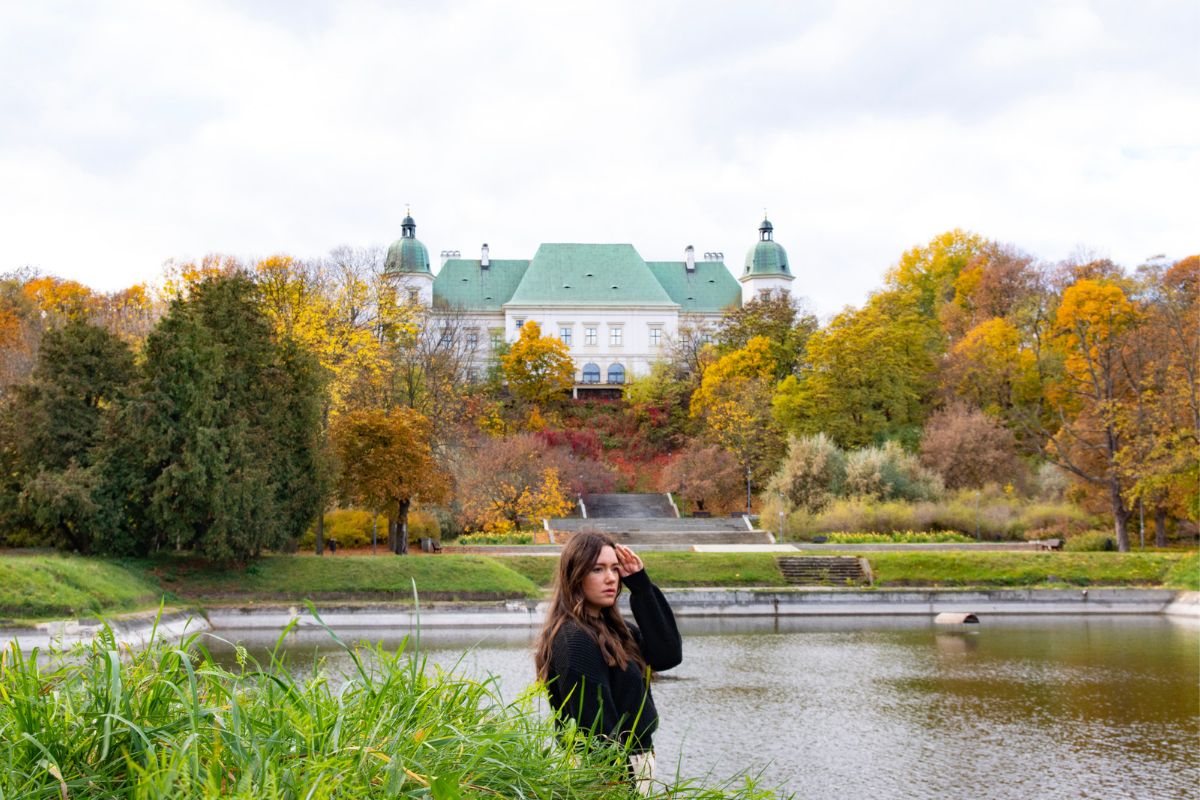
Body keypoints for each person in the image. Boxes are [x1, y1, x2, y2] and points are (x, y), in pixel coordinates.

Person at [535, 531, 682, 792]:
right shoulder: (575, 639)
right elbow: (598, 733)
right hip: (607, 773)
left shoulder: (616, 630)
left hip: (634, 763)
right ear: (576, 575)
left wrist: (641, 585)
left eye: (615, 568)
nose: (611, 578)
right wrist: (620, 787)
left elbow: (668, 656)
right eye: (597, 569)